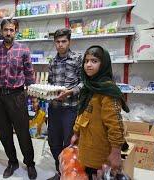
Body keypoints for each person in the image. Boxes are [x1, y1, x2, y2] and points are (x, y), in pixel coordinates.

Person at [0, 19, 37, 179]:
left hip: (17, 96)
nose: (8, 33)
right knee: (4, 133)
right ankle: (12, 161)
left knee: (23, 133)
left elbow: (29, 75)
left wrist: (34, 97)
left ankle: (29, 163)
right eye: (6, 29)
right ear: (1, 31)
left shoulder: (24, 50)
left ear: (16, 31)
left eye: (11, 30)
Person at [70, 46, 129, 180]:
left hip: (101, 152)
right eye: (86, 61)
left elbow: (115, 125)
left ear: (104, 64)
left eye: (94, 61)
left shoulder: (107, 91)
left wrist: (116, 153)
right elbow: (83, 113)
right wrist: (76, 132)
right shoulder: (89, 86)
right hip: (87, 147)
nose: (88, 65)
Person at [47, 28, 83, 180]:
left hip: (71, 108)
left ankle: (69, 174)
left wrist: (70, 92)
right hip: (55, 108)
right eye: (58, 42)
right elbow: (50, 82)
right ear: (54, 43)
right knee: (53, 142)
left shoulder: (78, 59)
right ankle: (60, 170)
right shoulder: (52, 61)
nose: (60, 45)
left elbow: (84, 83)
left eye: (64, 41)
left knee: (69, 144)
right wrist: (48, 93)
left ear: (69, 42)